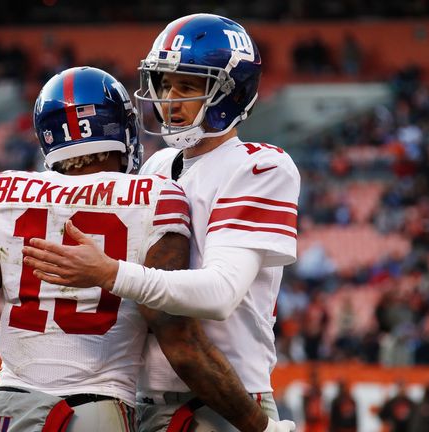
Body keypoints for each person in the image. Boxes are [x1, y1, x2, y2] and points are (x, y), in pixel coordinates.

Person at [0, 67, 287, 432]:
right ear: (118, 128)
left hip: (1, 410)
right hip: (93, 409)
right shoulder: (156, 196)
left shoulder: (8, 194)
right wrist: (261, 426)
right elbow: (183, 346)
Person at [23, 13, 300, 431]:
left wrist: (108, 272)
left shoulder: (260, 166)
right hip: (140, 397)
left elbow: (219, 294)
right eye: (165, 83)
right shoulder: (156, 166)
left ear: (230, 93)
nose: (170, 97)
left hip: (226, 401)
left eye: (187, 85)